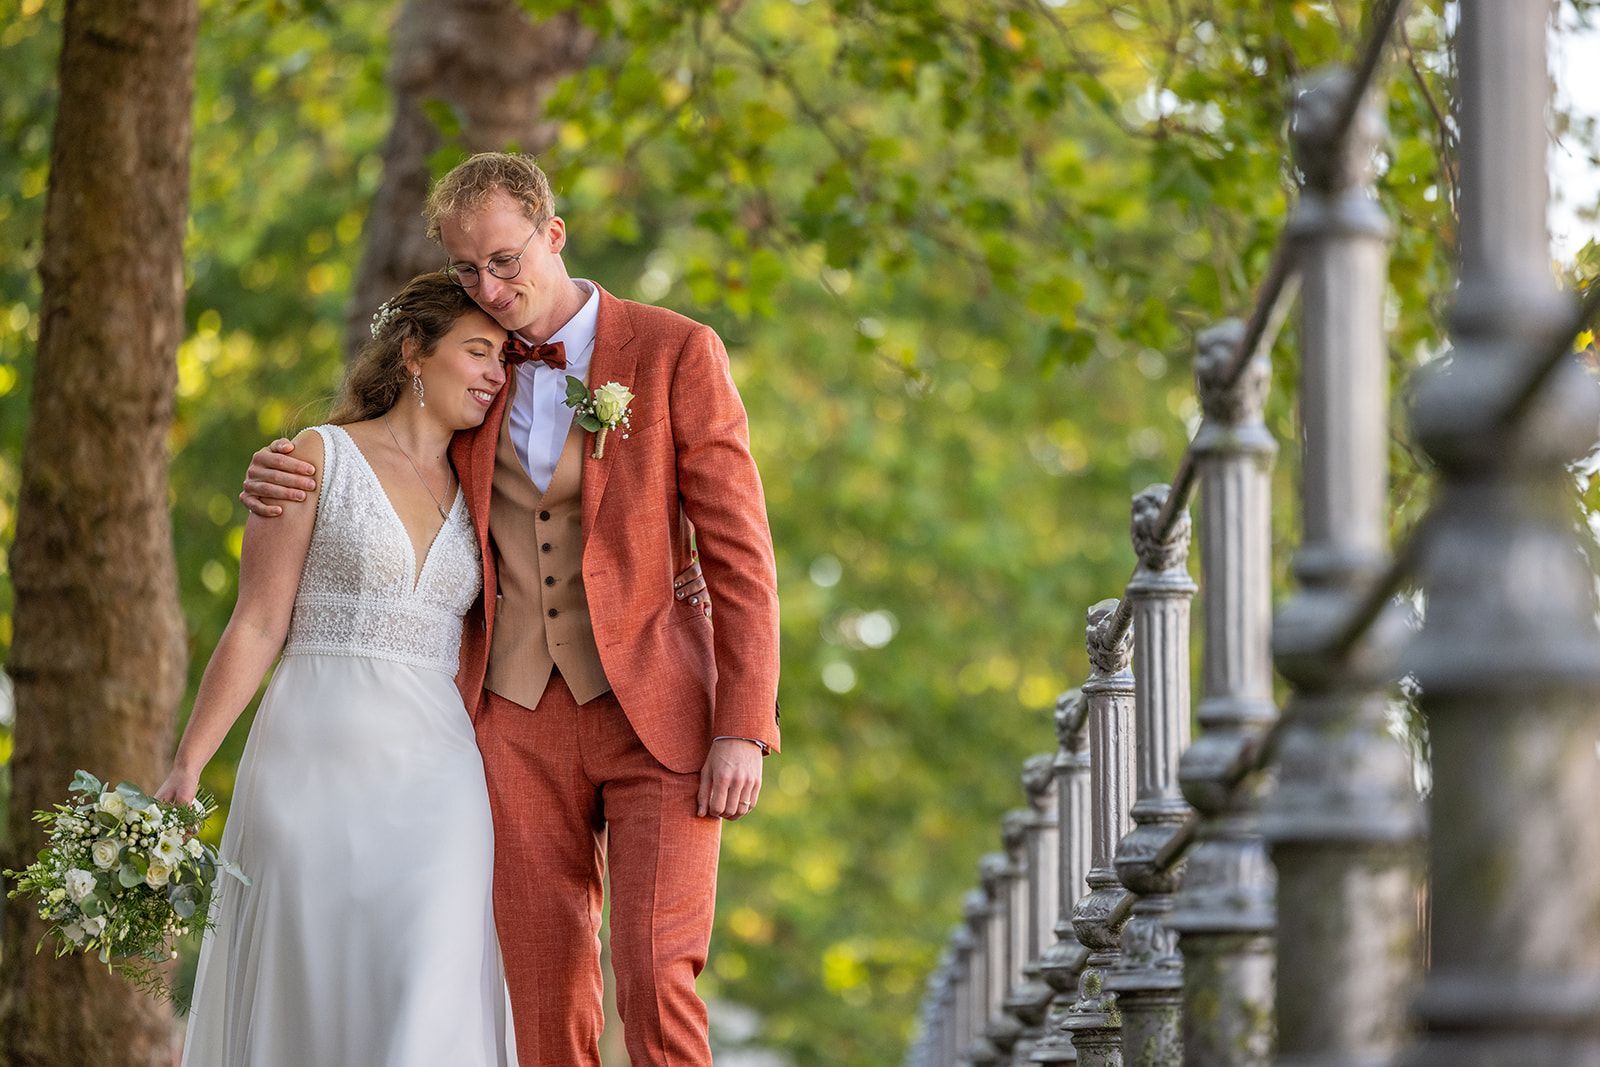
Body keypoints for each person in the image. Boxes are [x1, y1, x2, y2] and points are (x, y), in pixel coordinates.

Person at [240, 152, 782, 1066]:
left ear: (554, 235)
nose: (488, 287)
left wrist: (744, 722)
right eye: (465, 268)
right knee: (540, 990)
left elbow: (741, 557)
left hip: (660, 713)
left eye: (503, 259)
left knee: (655, 976)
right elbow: (387, 459)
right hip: (512, 717)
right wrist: (285, 465)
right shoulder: (473, 373)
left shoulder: (675, 350)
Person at [157, 273, 517, 1065]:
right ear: (415, 353)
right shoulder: (316, 456)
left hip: (440, 780)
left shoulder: (490, 486)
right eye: (478, 350)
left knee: (429, 989)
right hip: (311, 761)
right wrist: (189, 764)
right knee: (310, 994)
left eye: (504, 356)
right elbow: (257, 621)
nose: (497, 371)